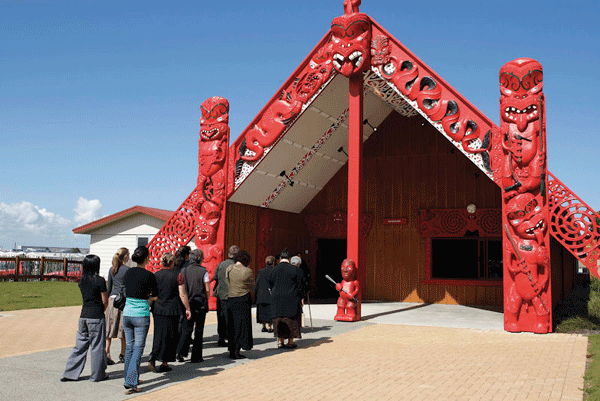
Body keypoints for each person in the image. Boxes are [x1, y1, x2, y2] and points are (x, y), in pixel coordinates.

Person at [61, 254, 109, 382]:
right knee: (97, 347)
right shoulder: (100, 281)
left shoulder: (82, 281)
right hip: (96, 316)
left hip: (83, 316)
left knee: (80, 346)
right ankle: (97, 375)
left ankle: (70, 373)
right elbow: (105, 300)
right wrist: (101, 311)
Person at [122, 246, 157, 394]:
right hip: (141, 313)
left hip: (127, 313)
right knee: (138, 348)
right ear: (147, 258)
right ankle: (131, 382)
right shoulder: (150, 276)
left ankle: (130, 377)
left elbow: (125, 290)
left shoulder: (128, 272)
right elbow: (154, 296)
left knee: (129, 347)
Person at [176, 249, 210, 363]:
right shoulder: (203, 271)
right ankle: (196, 356)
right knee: (199, 330)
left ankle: (180, 352)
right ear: (200, 259)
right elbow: (207, 289)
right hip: (200, 302)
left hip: (187, 302)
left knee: (186, 329)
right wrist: (206, 298)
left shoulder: (183, 270)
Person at [148, 252, 180, 373]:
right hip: (172, 308)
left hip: (158, 308)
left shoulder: (156, 275)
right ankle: (164, 362)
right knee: (170, 336)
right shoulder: (177, 275)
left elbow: (152, 293)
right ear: (172, 262)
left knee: (159, 334)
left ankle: (153, 355)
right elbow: (181, 292)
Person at [269, 248, 304, 349]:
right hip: (292, 298)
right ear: (289, 258)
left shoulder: (274, 269)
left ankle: (280, 341)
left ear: (280, 259)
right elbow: (300, 285)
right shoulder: (295, 270)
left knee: (279, 319)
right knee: (292, 319)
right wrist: (301, 297)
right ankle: (290, 341)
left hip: (277, 298)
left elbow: (270, 283)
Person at [226, 250, 255, 359]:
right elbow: (252, 286)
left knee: (232, 325)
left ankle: (232, 349)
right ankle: (238, 350)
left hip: (231, 298)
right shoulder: (247, 271)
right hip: (243, 299)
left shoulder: (229, 269)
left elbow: (227, 281)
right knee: (242, 325)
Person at [105, 247, 129, 365]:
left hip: (112, 299)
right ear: (125, 257)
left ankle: (107, 352)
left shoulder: (112, 269)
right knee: (122, 328)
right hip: (122, 301)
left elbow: (109, 288)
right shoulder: (127, 270)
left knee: (109, 328)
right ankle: (123, 353)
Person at [212, 245, 239, 347]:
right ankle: (231, 337)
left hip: (221, 294)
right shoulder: (237, 266)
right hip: (234, 295)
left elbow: (215, 277)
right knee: (232, 318)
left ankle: (221, 337)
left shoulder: (221, 264)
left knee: (221, 317)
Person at [255, 256, 275, 332]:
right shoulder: (273, 271)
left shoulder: (261, 271)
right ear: (273, 263)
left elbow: (257, 283)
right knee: (270, 310)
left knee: (262, 310)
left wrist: (256, 292)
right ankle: (270, 326)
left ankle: (263, 326)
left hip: (261, 293)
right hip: (270, 294)